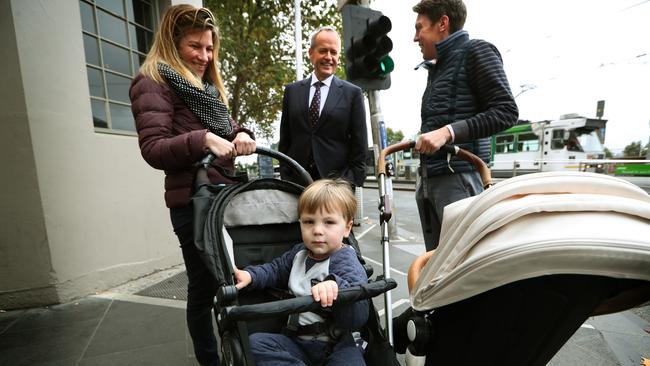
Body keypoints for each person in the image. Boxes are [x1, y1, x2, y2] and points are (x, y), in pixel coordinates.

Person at [129, 5, 255, 366]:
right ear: (172, 42)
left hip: (221, 197)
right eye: (195, 46)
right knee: (204, 291)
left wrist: (243, 132)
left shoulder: (205, 89)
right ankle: (210, 360)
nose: (204, 56)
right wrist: (202, 139)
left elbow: (229, 129)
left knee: (232, 281)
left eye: (209, 47)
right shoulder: (152, 81)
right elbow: (153, 149)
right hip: (192, 203)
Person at [412, 0, 519, 251]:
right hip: (432, 179)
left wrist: (447, 132)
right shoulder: (438, 67)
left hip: (459, 178)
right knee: (437, 266)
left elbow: (506, 111)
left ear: (443, 23)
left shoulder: (476, 51)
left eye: (420, 28)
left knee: (461, 263)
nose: (415, 37)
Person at [234, 179, 369, 366]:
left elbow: (358, 313)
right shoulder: (298, 254)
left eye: (329, 222)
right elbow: (275, 269)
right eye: (308, 222)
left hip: (337, 344)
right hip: (297, 341)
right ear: (300, 224)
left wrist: (337, 287)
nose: (317, 230)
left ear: (347, 227)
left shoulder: (345, 259)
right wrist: (250, 276)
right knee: (255, 344)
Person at [278, 26, 368, 189]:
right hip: (296, 186)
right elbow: (285, 142)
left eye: (333, 52)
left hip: (336, 189)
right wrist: (287, 177)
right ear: (311, 53)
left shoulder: (352, 94)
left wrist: (346, 185)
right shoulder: (292, 91)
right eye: (323, 51)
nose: (328, 57)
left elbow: (359, 149)